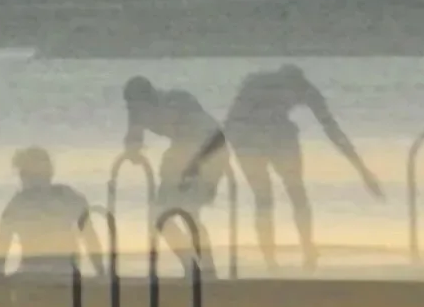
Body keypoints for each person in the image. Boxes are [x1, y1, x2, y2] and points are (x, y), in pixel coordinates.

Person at [222, 64, 385, 269]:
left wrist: (362, 171)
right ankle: (279, 257)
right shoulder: (262, 84)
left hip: (257, 137)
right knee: (276, 196)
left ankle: (297, 252)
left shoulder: (297, 88)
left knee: (280, 195)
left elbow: (332, 129)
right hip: (249, 138)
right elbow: (232, 122)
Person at [121, 77, 230, 270]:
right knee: (158, 215)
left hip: (212, 150)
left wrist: (193, 169)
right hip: (181, 153)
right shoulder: (137, 112)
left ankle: (207, 268)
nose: (135, 111)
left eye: (137, 105)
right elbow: (133, 138)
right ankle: (190, 265)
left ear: (151, 98)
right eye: (131, 106)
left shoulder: (178, 101)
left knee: (191, 212)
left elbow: (215, 137)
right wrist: (133, 150)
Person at [0, 147, 104, 284]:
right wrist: (101, 272)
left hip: (35, 274)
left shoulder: (17, 204)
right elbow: (90, 238)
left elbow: (0, 251)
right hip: (63, 273)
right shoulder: (67, 196)